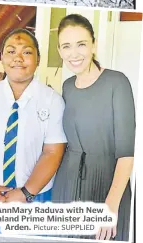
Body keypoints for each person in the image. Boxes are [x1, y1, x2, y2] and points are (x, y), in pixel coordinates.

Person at [0, 28, 67, 233]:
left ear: (38, 59)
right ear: (2, 57)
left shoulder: (52, 100)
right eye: (11, 51)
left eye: (27, 52)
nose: (18, 58)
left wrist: (25, 193)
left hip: (34, 200)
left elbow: (52, 151)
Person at [51, 14, 135, 241]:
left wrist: (111, 204)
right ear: (60, 51)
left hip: (107, 186)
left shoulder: (117, 82)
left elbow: (127, 153)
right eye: (66, 46)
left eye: (81, 44)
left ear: (93, 45)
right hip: (67, 183)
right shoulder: (67, 86)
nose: (74, 53)